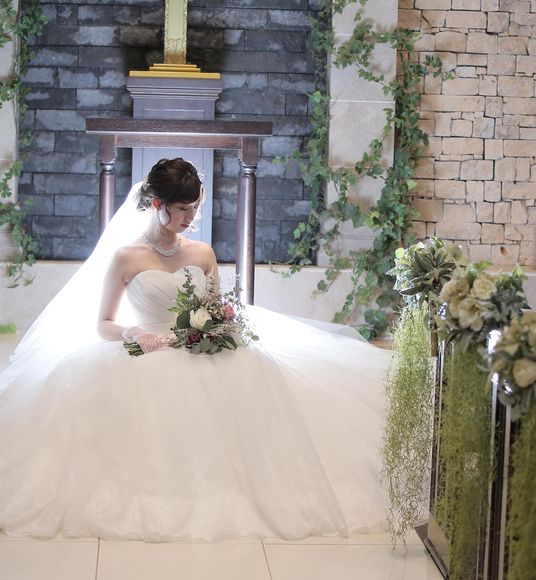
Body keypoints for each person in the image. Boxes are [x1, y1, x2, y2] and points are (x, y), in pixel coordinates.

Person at [0, 158, 393, 541]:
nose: (191, 217)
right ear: (158, 204)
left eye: (196, 207)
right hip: (149, 349)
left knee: (252, 374)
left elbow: (219, 311)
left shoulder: (202, 253)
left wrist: (208, 330)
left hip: (198, 344)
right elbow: (103, 324)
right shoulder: (126, 257)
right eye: (183, 209)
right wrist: (132, 333)